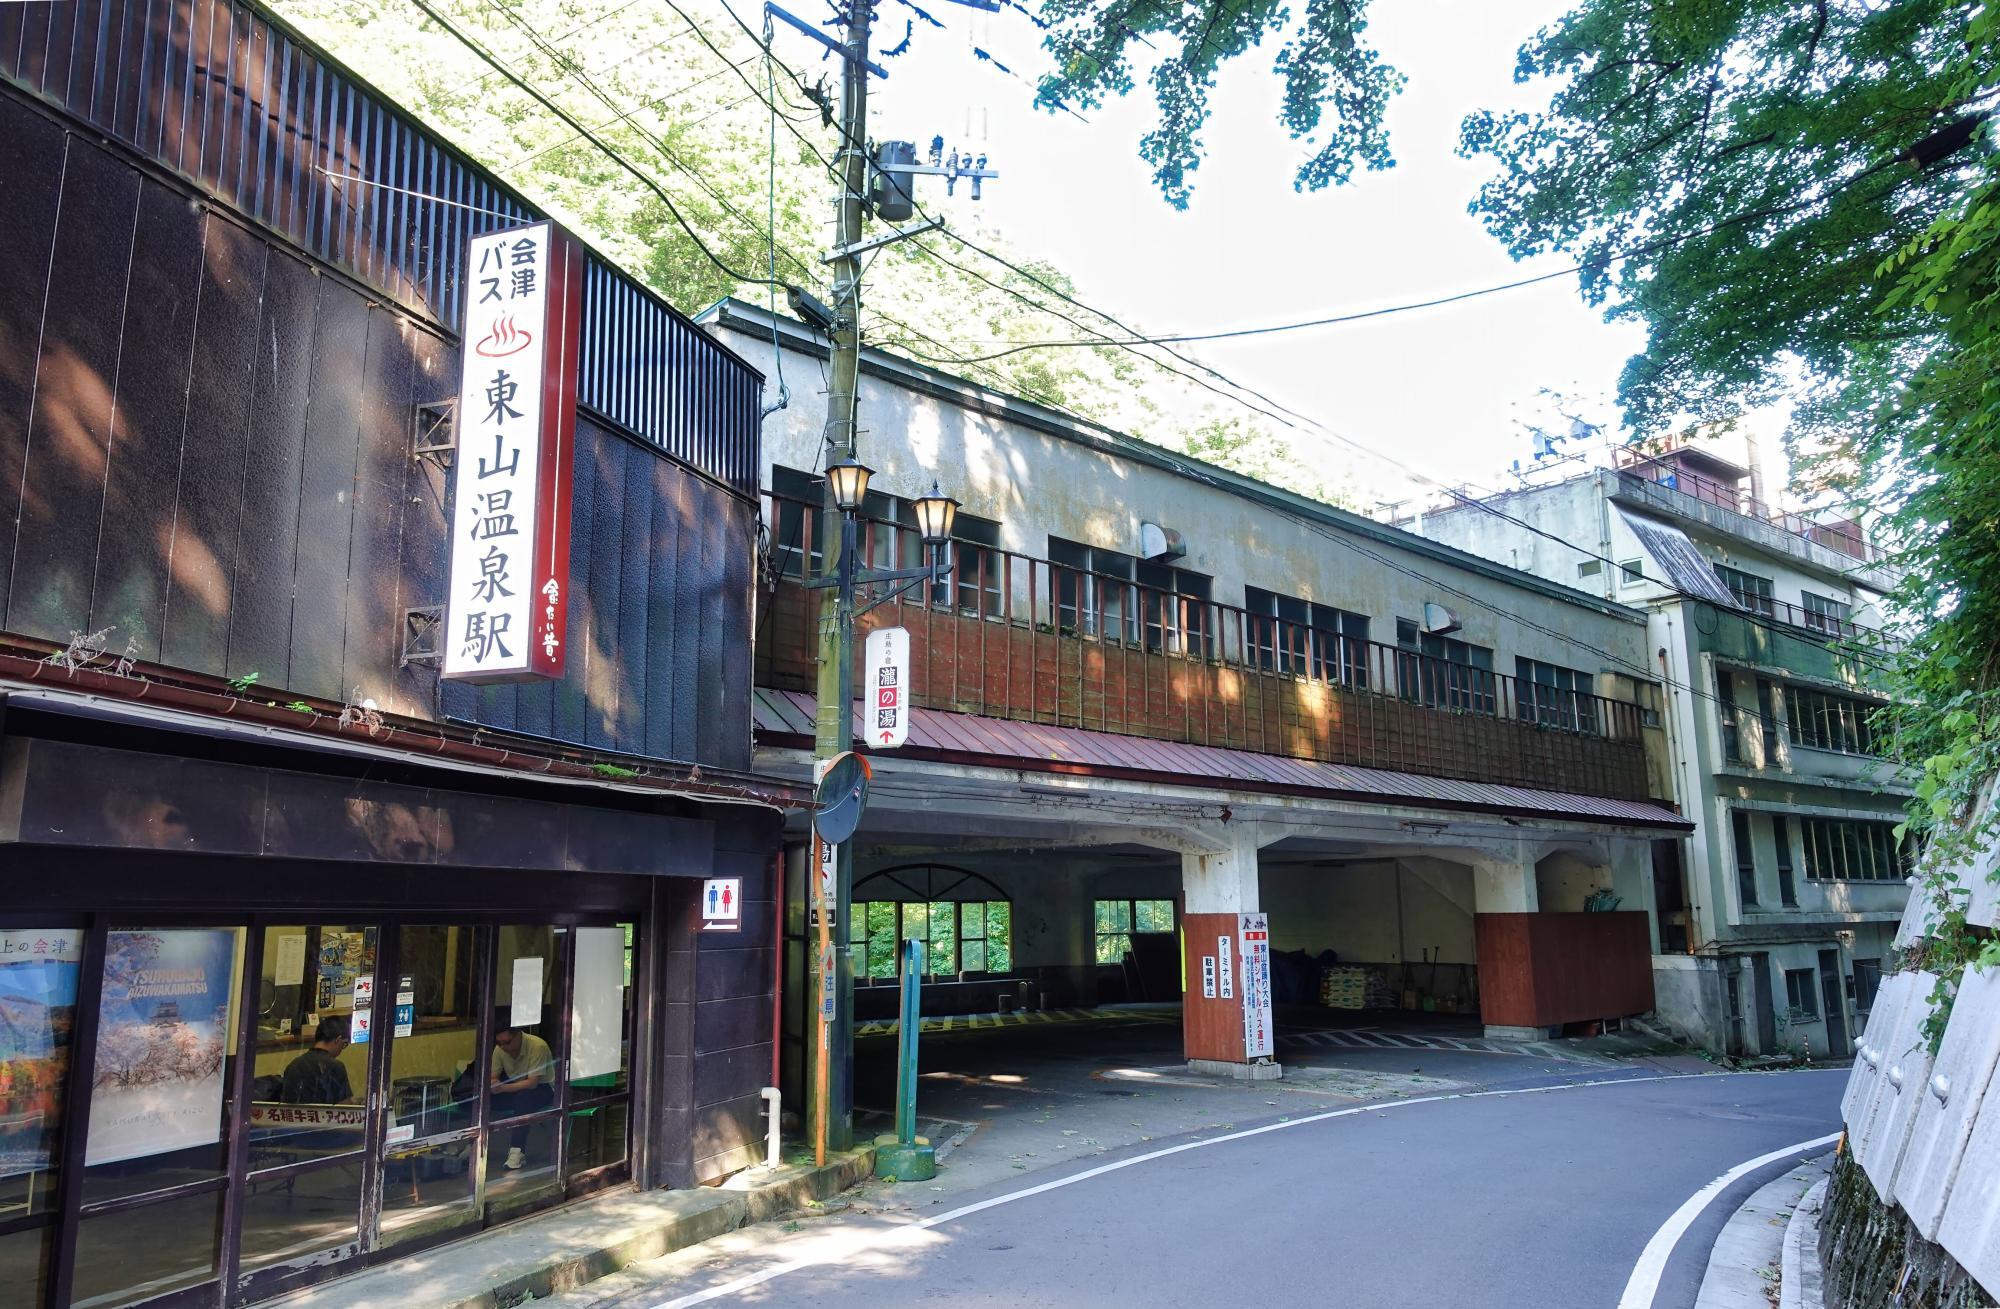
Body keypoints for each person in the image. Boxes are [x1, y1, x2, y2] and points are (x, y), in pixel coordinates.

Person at [491, 1023, 554, 1169]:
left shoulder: (538, 1046)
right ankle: (472, 1144)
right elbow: (493, 1076)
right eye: (499, 1043)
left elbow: (532, 1083)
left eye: (506, 1042)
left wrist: (502, 1088)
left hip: (543, 1087)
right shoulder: (499, 1049)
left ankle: (517, 1150)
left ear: (518, 1035)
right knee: (482, 1098)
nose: (503, 1047)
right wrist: (493, 1085)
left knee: (524, 1098)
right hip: (514, 1087)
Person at [281, 1016, 353, 1104]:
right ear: (337, 1040)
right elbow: (344, 1107)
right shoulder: (335, 1067)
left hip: (295, 1116)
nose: (342, 1049)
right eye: (344, 1044)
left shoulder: (293, 1065)